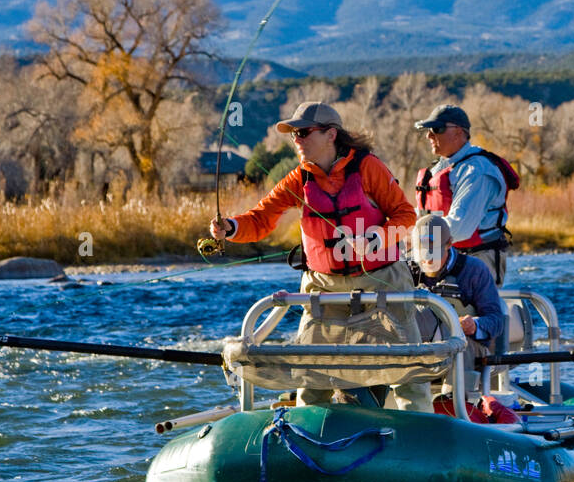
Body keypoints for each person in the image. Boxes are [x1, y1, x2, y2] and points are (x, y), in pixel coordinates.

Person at [210, 101, 430, 411]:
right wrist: (230, 228)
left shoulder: (368, 167)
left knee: (406, 368)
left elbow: (406, 215)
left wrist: (376, 237)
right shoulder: (299, 179)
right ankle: (309, 434)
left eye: (302, 132)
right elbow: (261, 218)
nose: (296, 140)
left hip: (383, 279)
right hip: (323, 286)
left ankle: (419, 433)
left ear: (330, 134)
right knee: (311, 372)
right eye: (293, 135)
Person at [413, 104, 520, 285]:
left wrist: (414, 237)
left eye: (436, 129)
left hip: (476, 261)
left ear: (458, 132)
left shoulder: (477, 170)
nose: (429, 135)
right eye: (428, 130)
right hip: (440, 258)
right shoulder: (440, 168)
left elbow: (459, 228)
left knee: (473, 312)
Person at [411, 213, 506, 374]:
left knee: (458, 347)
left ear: (449, 244)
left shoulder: (475, 269)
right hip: (420, 348)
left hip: (466, 348)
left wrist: (475, 325)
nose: (427, 261)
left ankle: (453, 397)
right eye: (422, 254)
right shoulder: (405, 269)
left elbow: (496, 320)